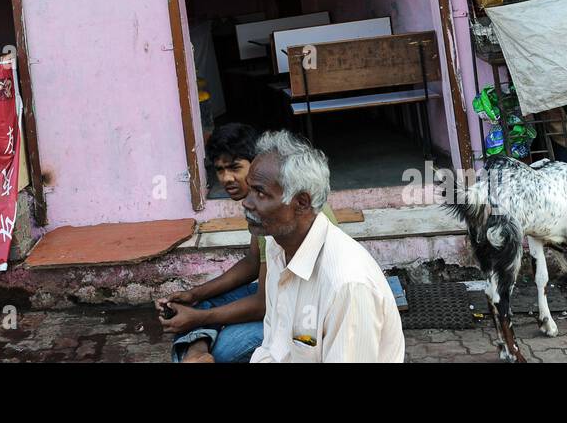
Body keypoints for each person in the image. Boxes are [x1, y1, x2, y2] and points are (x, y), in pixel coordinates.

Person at [156, 123, 340, 363]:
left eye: (234, 168)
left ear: (259, 165)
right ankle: (197, 353)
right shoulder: (259, 204)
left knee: (221, 348)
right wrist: (193, 295)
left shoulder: (282, 208)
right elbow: (253, 262)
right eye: (220, 170)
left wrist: (198, 318)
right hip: (281, 296)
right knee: (202, 303)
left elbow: (263, 304)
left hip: (305, 316)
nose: (226, 178)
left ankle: (198, 348)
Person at [244, 130, 404, 363]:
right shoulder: (276, 247)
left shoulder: (347, 285)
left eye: (260, 192)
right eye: (250, 189)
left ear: (301, 203)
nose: (247, 203)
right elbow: (273, 346)